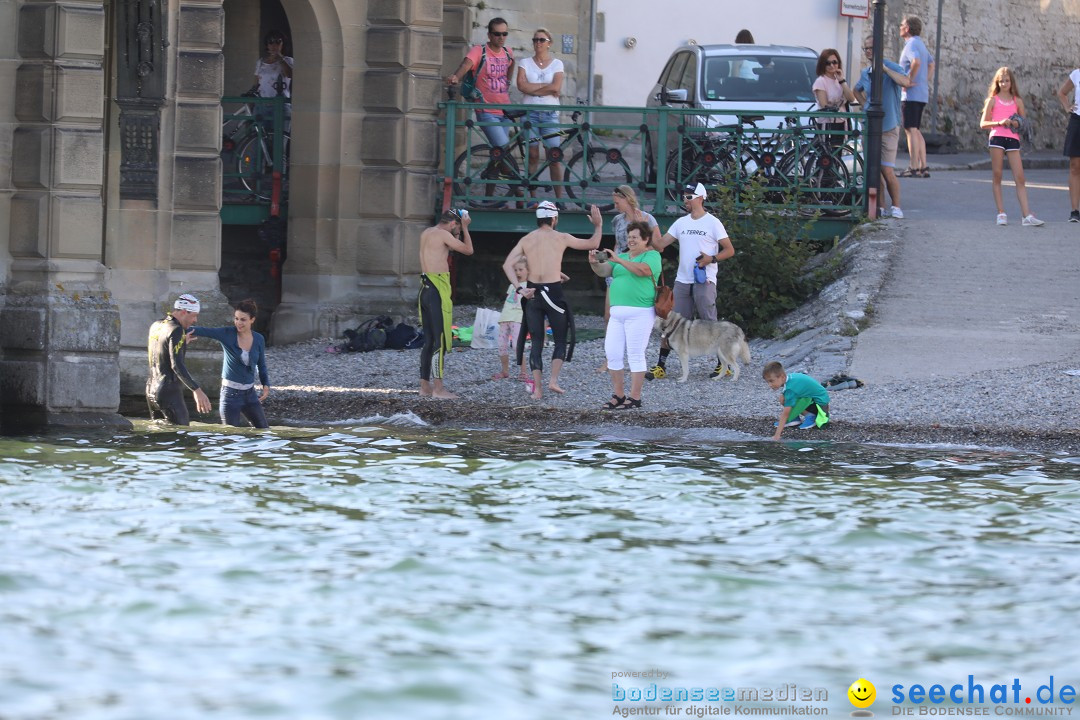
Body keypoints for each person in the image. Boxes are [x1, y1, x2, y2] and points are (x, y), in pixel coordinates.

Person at [502, 200, 602, 400]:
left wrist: (521, 289)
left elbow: (507, 265)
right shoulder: (561, 237)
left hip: (532, 294)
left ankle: (537, 390)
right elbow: (593, 244)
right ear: (554, 218)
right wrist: (598, 225)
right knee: (559, 339)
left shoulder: (527, 239)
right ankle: (553, 380)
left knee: (536, 341)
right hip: (554, 293)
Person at [646, 183, 735, 381]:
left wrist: (711, 259)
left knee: (710, 323)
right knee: (670, 323)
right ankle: (661, 366)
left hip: (705, 280)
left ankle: (724, 365)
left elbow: (729, 250)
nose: (685, 200)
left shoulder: (713, 222)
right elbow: (660, 245)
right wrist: (649, 226)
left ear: (700, 197)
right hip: (682, 280)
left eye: (688, 196)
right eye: (684, 197)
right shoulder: (681, 223)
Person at [589, 222, 661, 410]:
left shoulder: (652, 255)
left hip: (641, 312)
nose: (630, 240)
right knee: (612, 353)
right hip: (617, 313)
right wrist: (594, 263)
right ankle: (619, 395)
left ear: (646, 239)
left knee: (636, 354)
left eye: (635, 237)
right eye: (629, 237)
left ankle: (635, 397)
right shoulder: (621, 256)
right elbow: (604, 271)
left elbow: (644, 271)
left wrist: (619, 261)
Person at [596, 185, 661, 372]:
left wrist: (644, 228)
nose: (615, 204)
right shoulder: (617, 220)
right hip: (618, 266)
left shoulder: (648, 218)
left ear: (628, 199)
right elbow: (617, 244)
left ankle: (633, 358)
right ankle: (611, 358)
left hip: (638, 267)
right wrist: (602, 259)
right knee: (609, 315)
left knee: (633, 317)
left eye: (617, 201)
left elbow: (658, 245)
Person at [854, 39, 912, 219]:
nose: (868, 51)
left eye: (871, 48)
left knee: (887, 170)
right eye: (866, 48)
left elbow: (906, 82)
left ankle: (896, 206)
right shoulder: (866, 72)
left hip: (889, 125)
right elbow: (857, 90)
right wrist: (865, 106)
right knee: (874, 169)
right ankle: (881, 206)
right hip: (870, 127)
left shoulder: (892, 66)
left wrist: (885, 70)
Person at [189, 299, 271, 428]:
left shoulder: (259, 339)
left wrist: (265, 384)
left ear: (252, 320)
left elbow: (261, 365)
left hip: (250, 395)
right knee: (231, 438)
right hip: (230, 395)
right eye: (236, 318)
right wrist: (175, 327)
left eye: (243, 319)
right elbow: (203, 330)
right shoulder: (227, 334)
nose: (238, 323)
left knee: (264, 432)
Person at [419, 210, 474, 399]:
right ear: (452, 224)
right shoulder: (443, 234)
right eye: (456, 227)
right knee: (439, 340)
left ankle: (424, 387)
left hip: (424, 289)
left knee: (428, 341)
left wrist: (458, 231)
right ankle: (438, 389)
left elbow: (449, 247)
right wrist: (465, 229)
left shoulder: (427, 233)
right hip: (437, 290)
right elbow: (468, 250)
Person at [979, 67, 1044, 227]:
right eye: (1001, 81)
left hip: (1012, 139)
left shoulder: (1017, 101)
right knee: (997, 175)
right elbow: (983, 123)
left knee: (1020, 177)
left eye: (1007, 80)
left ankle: (1026, 215)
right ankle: (1001, 213)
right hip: (997, 138)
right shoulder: (992, 100)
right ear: (997, 82)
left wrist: (1016, 123)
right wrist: (999, 122)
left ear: (1011, 82)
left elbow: (1024, 123)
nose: (1004, 83)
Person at [446, 17, 515, 149]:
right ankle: (510, 171)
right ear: (489, 35)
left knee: (498, 154)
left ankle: (491, 170)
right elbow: (466, 64)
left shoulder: (508, 52)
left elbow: (512, 62)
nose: (501, 37)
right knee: (504, 150)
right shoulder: (479, 51)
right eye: (497, 34)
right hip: (487, 111)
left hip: (505, 111)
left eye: (504, 34)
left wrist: (508, 81)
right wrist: (456, 77)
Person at [146, 294, 212, 425]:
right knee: (181, 435)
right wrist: (196, 390)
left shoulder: (156, 325)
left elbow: (160, 352)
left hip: (151, 390)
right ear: (183, 312)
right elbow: (176, 366)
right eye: (193, 315)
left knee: (159, 438)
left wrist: (181, 344)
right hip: (168, 391)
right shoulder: (177, 330)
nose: (195, 320)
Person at [516, 28, 565, 201]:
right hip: (529, 115)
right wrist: (546, 87)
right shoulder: (525, 62)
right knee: (533, 154)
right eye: (535, 39)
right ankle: (532, 198)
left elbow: (556, 87)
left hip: (550, 114)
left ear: (549, 43)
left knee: (554, 156)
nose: (538, 43)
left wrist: (534, 88)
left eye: (542, 40)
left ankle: (559, 199)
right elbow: (521, 86)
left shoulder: (557, 64)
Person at [898, 16, 935, 178]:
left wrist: (908, 80)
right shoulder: (920, 43)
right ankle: (923, 166)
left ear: (907, 28)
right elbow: (931, 64)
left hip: (910, 94)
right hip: (921, 93)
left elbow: (917, 62)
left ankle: (913, 166)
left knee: (910, 129)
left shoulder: (911, 44)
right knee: (916, 130)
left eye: (902, 25)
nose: (900, 27)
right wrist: (923, 80)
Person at [763, 361, 830, 440]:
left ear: (782, 377)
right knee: (783, 398)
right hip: (811, 398)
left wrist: (777, 435)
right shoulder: (789, 379)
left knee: (788, 400)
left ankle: (811, 416)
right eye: (767, 382)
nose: (770, 385)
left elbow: (785, 414)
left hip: (819, 404)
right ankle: (795, 418)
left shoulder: (790, 390)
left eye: (771, 381)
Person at [493, 258, 532, 381]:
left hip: (518, 318)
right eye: (515, 270)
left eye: (521, 270)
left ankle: (524, 372)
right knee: (501, 345)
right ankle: (505, 371)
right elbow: (508, 301)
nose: (517, 273)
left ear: (528, 271)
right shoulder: (512, 286)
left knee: (516, 345)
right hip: (505, 317)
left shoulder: (530, 286)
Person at [812, 48, 857, 147]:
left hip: (841, 122)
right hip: (827, 123)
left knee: (838, 155)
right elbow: (824, 105)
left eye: (834, 62)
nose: (832, 65)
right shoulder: (821, 81)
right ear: (823, 65)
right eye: (828, 63)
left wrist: (842, 81)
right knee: (826, 157)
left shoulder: (839, 80)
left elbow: (851, 99)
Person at [253, 30, 293, 132]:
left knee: (280, 139)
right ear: (267, 45)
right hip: (262, 104)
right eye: (270, 42)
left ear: (282, 44)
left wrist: (280, 58)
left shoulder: (288, 60)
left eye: (278, 41)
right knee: (260, 140)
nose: (274, 45)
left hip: (280, 105)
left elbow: (290, 74)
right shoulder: (261, 62)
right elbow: (256, 83)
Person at [1056, 66, 1080, 222]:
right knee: (1075, 166)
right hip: (1077, 121)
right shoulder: (1077, 74)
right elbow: (1062, 92)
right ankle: (1074, 211)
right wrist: (1067, 107)